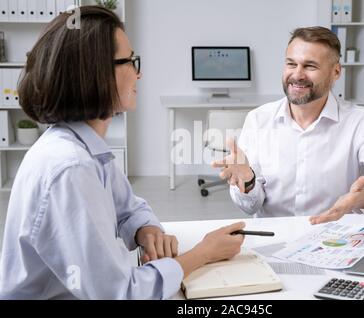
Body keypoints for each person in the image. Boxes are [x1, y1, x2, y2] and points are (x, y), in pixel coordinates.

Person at [0, 6, 245, 300]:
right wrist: (203, 254)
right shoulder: (69, 167)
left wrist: (146, 230)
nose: (139, 74)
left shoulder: (86, 148)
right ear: (96, 73)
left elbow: (130, 207)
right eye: (130, 62)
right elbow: (122, 294)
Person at [213, 26, 364, 223]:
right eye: (291, 64)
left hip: (334, 240)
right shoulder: (258, 119)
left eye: (310, 66)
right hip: (273, 239)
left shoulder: (362, 123)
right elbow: (250, 207)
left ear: (335, 72)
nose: (297, 75)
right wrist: (247, 181)